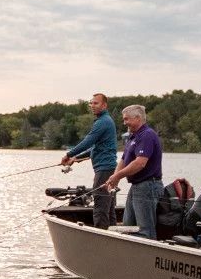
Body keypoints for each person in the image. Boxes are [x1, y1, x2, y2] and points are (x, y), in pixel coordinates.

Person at [101, 104, 163, 236]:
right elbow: (124, 160)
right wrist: (115, 178)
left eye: (126, 119)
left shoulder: (147, 135)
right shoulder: (133, 137)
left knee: (145, 229)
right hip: (137, 186)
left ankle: (148, 253)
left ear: (138, 118)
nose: (124, 123)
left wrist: (117, 176)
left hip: (148, 186)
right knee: (128, 226)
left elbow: (140, 163)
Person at [59, 92, 117, 228]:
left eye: (96, 103)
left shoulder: (103, 122)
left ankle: (100, 238)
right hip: (107, 168)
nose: (92, 105)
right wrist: (76, 158)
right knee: (108, 207)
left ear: (104, 105)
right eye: (91, 103)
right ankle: (114, 235)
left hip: (104, 169)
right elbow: (94, 148)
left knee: (100, 206)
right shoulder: (104, 121)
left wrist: (68, 154)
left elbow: (88, 142)